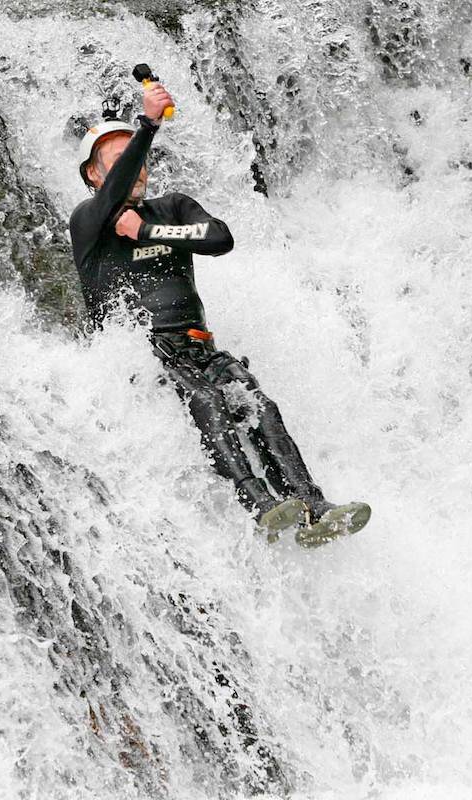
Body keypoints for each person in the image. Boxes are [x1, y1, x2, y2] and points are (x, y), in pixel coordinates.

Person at [68, 80, 370, 546]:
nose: (135, 166)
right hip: (141, 357)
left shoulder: (171, 209)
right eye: (120, 159)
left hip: (198, 344)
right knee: (209, 402)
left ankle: (314, 507)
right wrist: (147, 124)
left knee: (260, 406)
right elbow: (113, 196)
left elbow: (220, 239)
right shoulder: (88, 221)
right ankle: (261, 506)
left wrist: (148, 232)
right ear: (93, 175)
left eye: (138, 155)